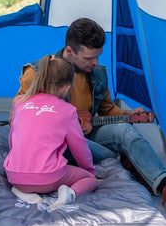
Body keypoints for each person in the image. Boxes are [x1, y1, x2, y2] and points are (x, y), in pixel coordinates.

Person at [14, 17, 166, 222]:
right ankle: (130, 162)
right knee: (102, 151)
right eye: (89, 58)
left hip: (86, 134)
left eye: (98, 57)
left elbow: (107, 109)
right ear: (70, 51)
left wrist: (128, 116)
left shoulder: (97, 73)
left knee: (125, 131)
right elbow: (18, 118)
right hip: (56, 140)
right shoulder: (39, 71)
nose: (96, 63)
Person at [5, 55, 97, 208]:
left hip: (14, 175)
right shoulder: (67, 110)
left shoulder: (20, 103)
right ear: (67, 87)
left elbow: (12, 140)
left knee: (25, 178)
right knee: (90, 180)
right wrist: (89, 170)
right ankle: (70, 193)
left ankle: (21, 191)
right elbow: (79, 147)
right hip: (50, 177)